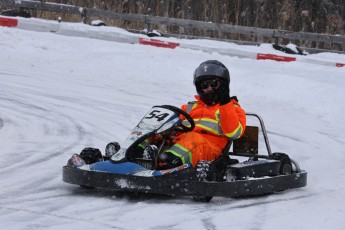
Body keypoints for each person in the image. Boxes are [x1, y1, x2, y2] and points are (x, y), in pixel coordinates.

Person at [143, 60, 246, 170]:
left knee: (194, 138)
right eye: (204, 85)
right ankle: (134, 154)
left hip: (210, 151)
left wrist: (225, 102)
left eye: (214, 84)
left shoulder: (233, 109)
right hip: (181, 145)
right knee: (153, 126)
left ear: (223, 84)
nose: (209, 88)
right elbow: (170, 125)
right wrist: (161, 133)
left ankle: (165, 163)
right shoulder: (189, 108)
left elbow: (234, 133)